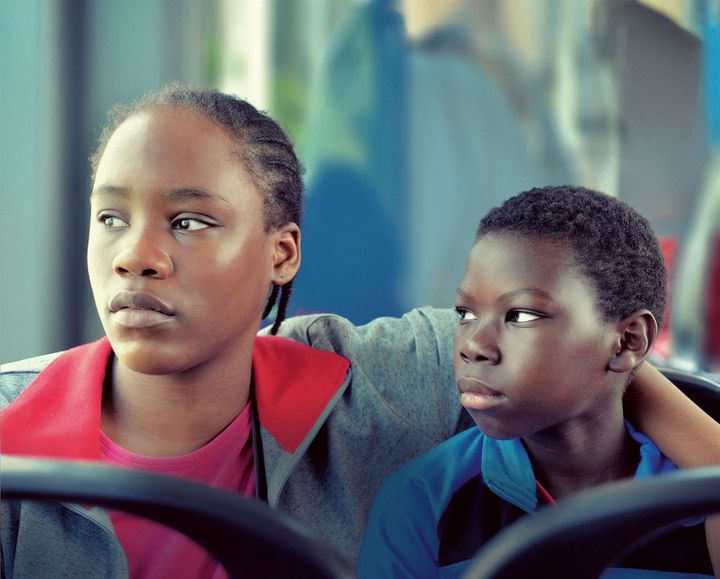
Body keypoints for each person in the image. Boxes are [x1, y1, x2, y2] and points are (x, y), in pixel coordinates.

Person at [0, 87, 716, 578]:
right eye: (111, 218)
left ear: (281, 251)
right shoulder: (11, 437)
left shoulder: (381, 381)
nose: (134, 254)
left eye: (189, 221)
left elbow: (583, 362)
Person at [357, 185, 719, 578]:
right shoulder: (421, 501)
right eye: (465, 313)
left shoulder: (701, 496)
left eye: (522, 316)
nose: (474, 345)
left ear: (628, 340)